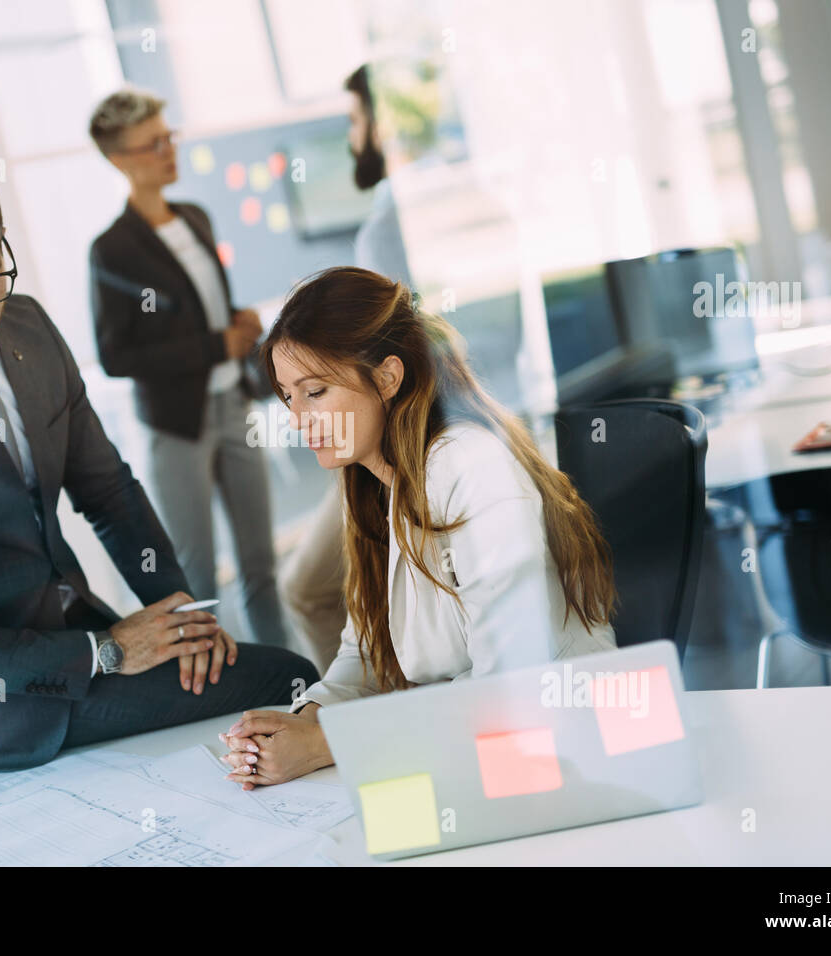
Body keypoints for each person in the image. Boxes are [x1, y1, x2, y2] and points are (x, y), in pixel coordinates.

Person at [0, 155, 317, 777]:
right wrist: (106, 652)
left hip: (83, 639)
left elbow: (107, 492)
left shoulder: (28, 326)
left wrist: (180, 613)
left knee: (282, 681)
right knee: (286, 678)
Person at [218, 267, 617, 788]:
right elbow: (364, 651)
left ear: (386, 378)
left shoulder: (471, 468)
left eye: (315, 391)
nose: (298, 419)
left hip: (563, 753)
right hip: (469, 752)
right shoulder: (374, 481)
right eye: (290, 398)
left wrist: (328, 742)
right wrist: (308, 721)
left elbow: (510, 688)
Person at [88, 88, 291, 650]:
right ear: (119, 159)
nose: (167, 150)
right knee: (197, 580)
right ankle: (219, 693)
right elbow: (116, 355)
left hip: (236, 406)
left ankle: (292, 680)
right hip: (179, 426)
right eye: (152, 144)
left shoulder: (196, 217)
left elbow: (191, 311)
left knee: (261, 566)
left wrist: (236, 323)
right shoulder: (112, 250)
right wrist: (214, 342)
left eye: (168, 136)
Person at [279, 64, 415, 672]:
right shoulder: (405, 211)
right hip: (384, 437)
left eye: (356, 119)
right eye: (290, 397)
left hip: (399, 432)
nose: (351, 136)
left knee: (306, 587)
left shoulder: (389, 225)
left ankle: (386, 701)